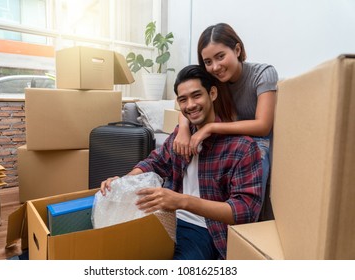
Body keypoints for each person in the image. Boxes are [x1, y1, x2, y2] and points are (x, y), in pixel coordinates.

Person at [100, 65, 263, 260]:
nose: (191, 105)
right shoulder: (181, 136)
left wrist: (182, 201)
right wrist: (122, 182)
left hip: (204, 230)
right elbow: (154, 162)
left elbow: (245, 210)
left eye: (196, 96)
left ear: (212, 93)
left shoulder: (242, 147)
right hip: (164, 219)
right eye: (183, 99)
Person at [174, 23, 278, 208]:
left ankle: (244, 224)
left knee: (256, 156)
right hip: (227, 136)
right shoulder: (214, 80)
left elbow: (263, 126)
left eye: (220, 57)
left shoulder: (263, 74)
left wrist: (210, 127)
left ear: (237, 49)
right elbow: (186, 99)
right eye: (208, 62)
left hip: (257, 140)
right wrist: (183, 129)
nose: (215, 67)